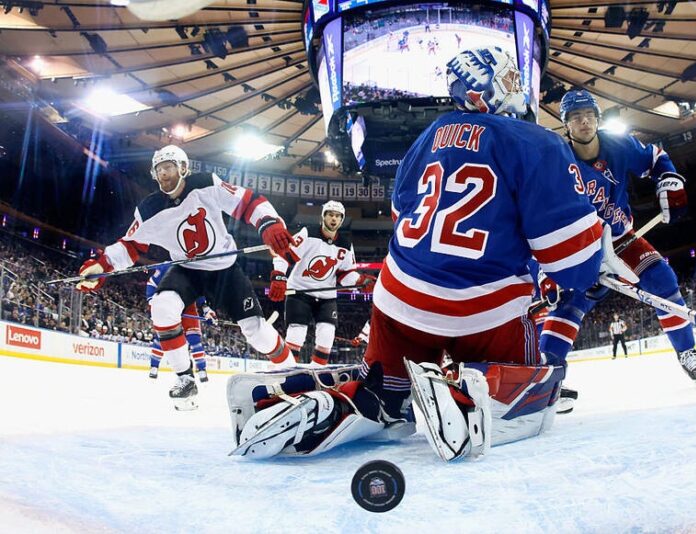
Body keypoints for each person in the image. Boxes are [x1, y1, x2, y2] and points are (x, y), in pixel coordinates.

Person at [227, 47, 635, 461]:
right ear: (487, 90)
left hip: (398, 302)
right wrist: (590, 273)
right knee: (536, 384)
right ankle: (475, 390)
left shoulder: (429, 135)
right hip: (484, 312)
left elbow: (401, 211)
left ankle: (366, 398)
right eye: (510, 79)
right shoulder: (538, 142)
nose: (518, 87)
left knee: (383, 393)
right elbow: (569, 260)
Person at [75, 145, 296, 410]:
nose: (163, 173)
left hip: (224, 270)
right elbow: (130, 246)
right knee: (162, 307)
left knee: (256, 332)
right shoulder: (149, 209)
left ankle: (291, 370)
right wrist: (101, 266)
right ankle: (185, 378)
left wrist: (268, 224)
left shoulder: (207, 184)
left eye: (168, 166)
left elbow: (249, 202)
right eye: (158, 170)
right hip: (187, 270)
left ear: (183, 168)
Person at [538, 89, 696, 386]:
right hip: (580, 247)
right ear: (566, 124)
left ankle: (687, 352)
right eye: (576, 117)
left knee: (663, 281)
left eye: (590, 115)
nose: (584, 122)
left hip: (621, 239)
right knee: (567, 305)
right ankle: (549, 377)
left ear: (597, 118)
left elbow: (657, 157)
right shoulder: (557, 160)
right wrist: (546, 270)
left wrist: (668, 181)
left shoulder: (617, 144)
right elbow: (540, 217)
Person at [268, 200, 376, 365]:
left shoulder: (346, 244)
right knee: (297, 333)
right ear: (323, 217)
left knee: (327, 334)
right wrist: (279, 276)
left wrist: (361, 281)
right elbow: (284, 254)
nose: (334, 219)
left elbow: (345, 274)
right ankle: (286, 372)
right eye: (330, 215)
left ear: (342, 220)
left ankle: (317, 372)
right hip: (300, 292)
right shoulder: (308, 233)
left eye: (338, 216)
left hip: (326, 296)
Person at [146, 264, 217, 381]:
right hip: (169, 304)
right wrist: (152, 301)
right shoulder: (166, 266)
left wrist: (206, 309)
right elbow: (152, 283)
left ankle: (201, 369)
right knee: (164, 336)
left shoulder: (195, 269)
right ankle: (154, 366)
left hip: (189, 305)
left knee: (194, 339)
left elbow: (199, 293)